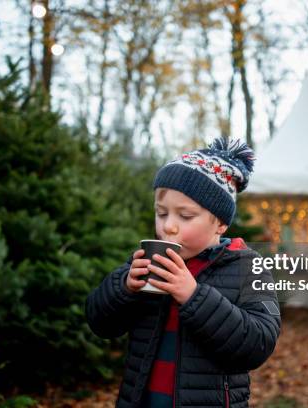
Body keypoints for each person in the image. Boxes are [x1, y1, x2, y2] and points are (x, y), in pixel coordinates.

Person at [86, 138, 281, 407]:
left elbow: (258, 344)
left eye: (185, 216)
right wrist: (124, 287)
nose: (169, 227)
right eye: (161, 213)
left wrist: (193, 296)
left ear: (221, 223)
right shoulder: (147, 262)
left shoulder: (247, 268)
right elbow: (100, 323)